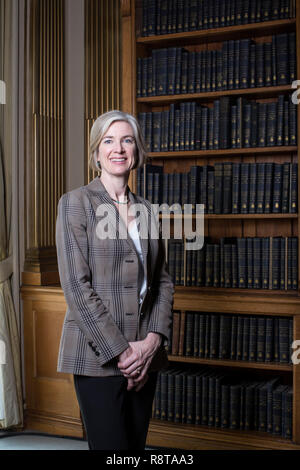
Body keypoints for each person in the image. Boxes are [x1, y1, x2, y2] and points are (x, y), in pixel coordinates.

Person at [55, 110, 174, 450]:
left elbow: (162, 282)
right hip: (97, 356)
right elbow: (77, 287)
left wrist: (152, 342)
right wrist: (124, 355)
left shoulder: (148, 210)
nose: (118, 148)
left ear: (137, 150)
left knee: (134, 449)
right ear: (96, 153)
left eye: (127, 140)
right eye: (108, 141)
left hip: (144, 355)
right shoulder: (75, 204)